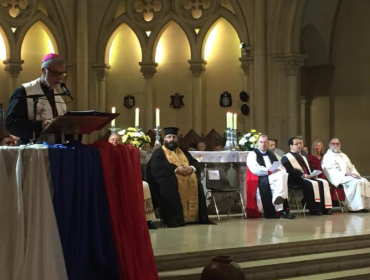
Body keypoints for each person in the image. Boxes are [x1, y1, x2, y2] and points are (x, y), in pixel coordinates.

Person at [146, 127, 210, 227]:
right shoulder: (159, 152)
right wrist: (175, 169)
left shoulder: (183, 151)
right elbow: (156, 167)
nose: (171, 139)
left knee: (197, 182)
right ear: (164, 139)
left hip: (188, 181)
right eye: (169, 137)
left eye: (174, 137)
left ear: (177, 139)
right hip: (169, 182)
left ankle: (195, 217)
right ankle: (175, 219)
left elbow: (195, 163)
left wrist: (191, 168)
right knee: (169, 185)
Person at [5, 53, 68, 145]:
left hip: (56, 151)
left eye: (62, 74)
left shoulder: (58, 97)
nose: (60, 77)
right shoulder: (24, 92)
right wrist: (41, 125)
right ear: (43, 71)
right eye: (56, 73)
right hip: (31, 151)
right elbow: (10, 124)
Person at [108, 133, 158, 229]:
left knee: (145, 186)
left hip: (127, 180)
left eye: (118, 139)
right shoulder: (105, 152)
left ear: (122, 141)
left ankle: (147, 220)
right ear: (108, 141)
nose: (115, 141)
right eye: (112, 139)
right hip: (111, 180)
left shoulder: (126, 151)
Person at [246, 135, 294, 219]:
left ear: (268, 143)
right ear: (258, 143)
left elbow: (279, 165)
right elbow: (254, 167)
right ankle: (280, 207)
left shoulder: (271, 154)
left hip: (273, 176)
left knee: (283, 174)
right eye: (261, 142)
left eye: (265, 142)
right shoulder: (253, 154)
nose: (263, 144)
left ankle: (278, 199)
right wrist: (268, 170)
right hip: (262, 176)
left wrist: (279, 169)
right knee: (282, 179)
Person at [281, 137, 333, 215]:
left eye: (300, 144)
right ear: (291, 146)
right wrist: (302, 175)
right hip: (295, 179)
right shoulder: (286, 158)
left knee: (323, 182)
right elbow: (289, 171)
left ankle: (324, 208)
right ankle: (314, 209)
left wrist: (314, 174)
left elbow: (310, 167)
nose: (299, 145)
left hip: (307, 177)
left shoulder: (303, 157)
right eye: (296, 144)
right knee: (311, 184)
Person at [322, 138, 370, 213]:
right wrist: (344, 173)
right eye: (333, 144)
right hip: (339, 178)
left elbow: (352, 167)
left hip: (350, 176)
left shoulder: (344, 155)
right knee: (356, 183)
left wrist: (355, 174)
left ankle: (364, 206)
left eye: (337, 144)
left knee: (365, 181)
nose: (336, 145)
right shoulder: (327, 156)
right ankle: (354, 207)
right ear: (329, 145)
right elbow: (327, 169)